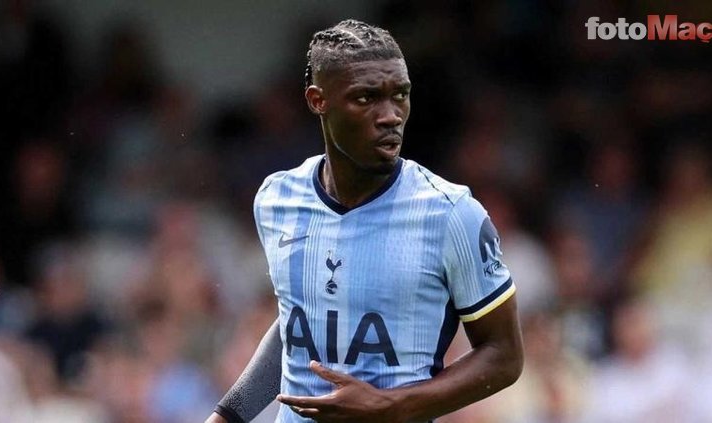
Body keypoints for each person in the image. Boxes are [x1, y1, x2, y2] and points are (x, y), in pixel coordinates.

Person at [206, 19, 523, 423]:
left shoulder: (451, 213)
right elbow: (296, 328)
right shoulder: (277, 198)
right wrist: (227, 416)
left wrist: (391, 406)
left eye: (400, 95)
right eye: (366, 98)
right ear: (318, 100)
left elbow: (504, 355)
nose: (390, 116)